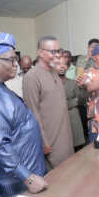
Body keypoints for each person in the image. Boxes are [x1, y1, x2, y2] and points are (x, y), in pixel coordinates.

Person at [0, 32, 47, 197]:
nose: (16, 64)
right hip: (17, 187)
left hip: (25, 181)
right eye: (11, 60)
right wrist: (29, 178)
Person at [23, 36, 74, 171]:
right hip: (50, 140)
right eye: (53, 52)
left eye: (59, 51)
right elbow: (32, 113)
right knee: (57, 177)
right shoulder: (32, 77)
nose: (57, 55)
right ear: (40, 52)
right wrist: (44, 142)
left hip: (65, 135)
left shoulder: (54, 72)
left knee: (70, 171)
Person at [55, 56, 86, 152]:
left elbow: (81, 101)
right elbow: (57, 104)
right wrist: (73, 101)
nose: (62, 66)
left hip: (74, 122)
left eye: (64, 63)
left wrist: (81, 88)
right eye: (58, 64)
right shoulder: (51, 84)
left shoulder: (73, 83)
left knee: (78, 154)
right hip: (58, 123)